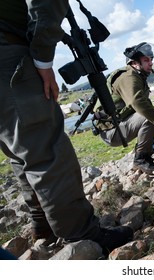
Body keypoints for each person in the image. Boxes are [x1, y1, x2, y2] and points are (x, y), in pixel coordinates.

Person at [0, 0, 132, 257]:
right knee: (47, 149)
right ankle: (83, 234)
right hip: (7, 54)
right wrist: (42, 61)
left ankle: (44, 225)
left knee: (18, 149)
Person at [94, 42, 154, 174]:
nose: (150, 63)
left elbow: (147, 104)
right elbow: (138, 103)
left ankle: (148, 153)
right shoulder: (129, 77)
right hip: (112, 131)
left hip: (119, 124)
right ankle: (140, 160)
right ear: (135, 63)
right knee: (148, 117)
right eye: (146, 60)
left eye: (151, 60)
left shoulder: (137, 76)